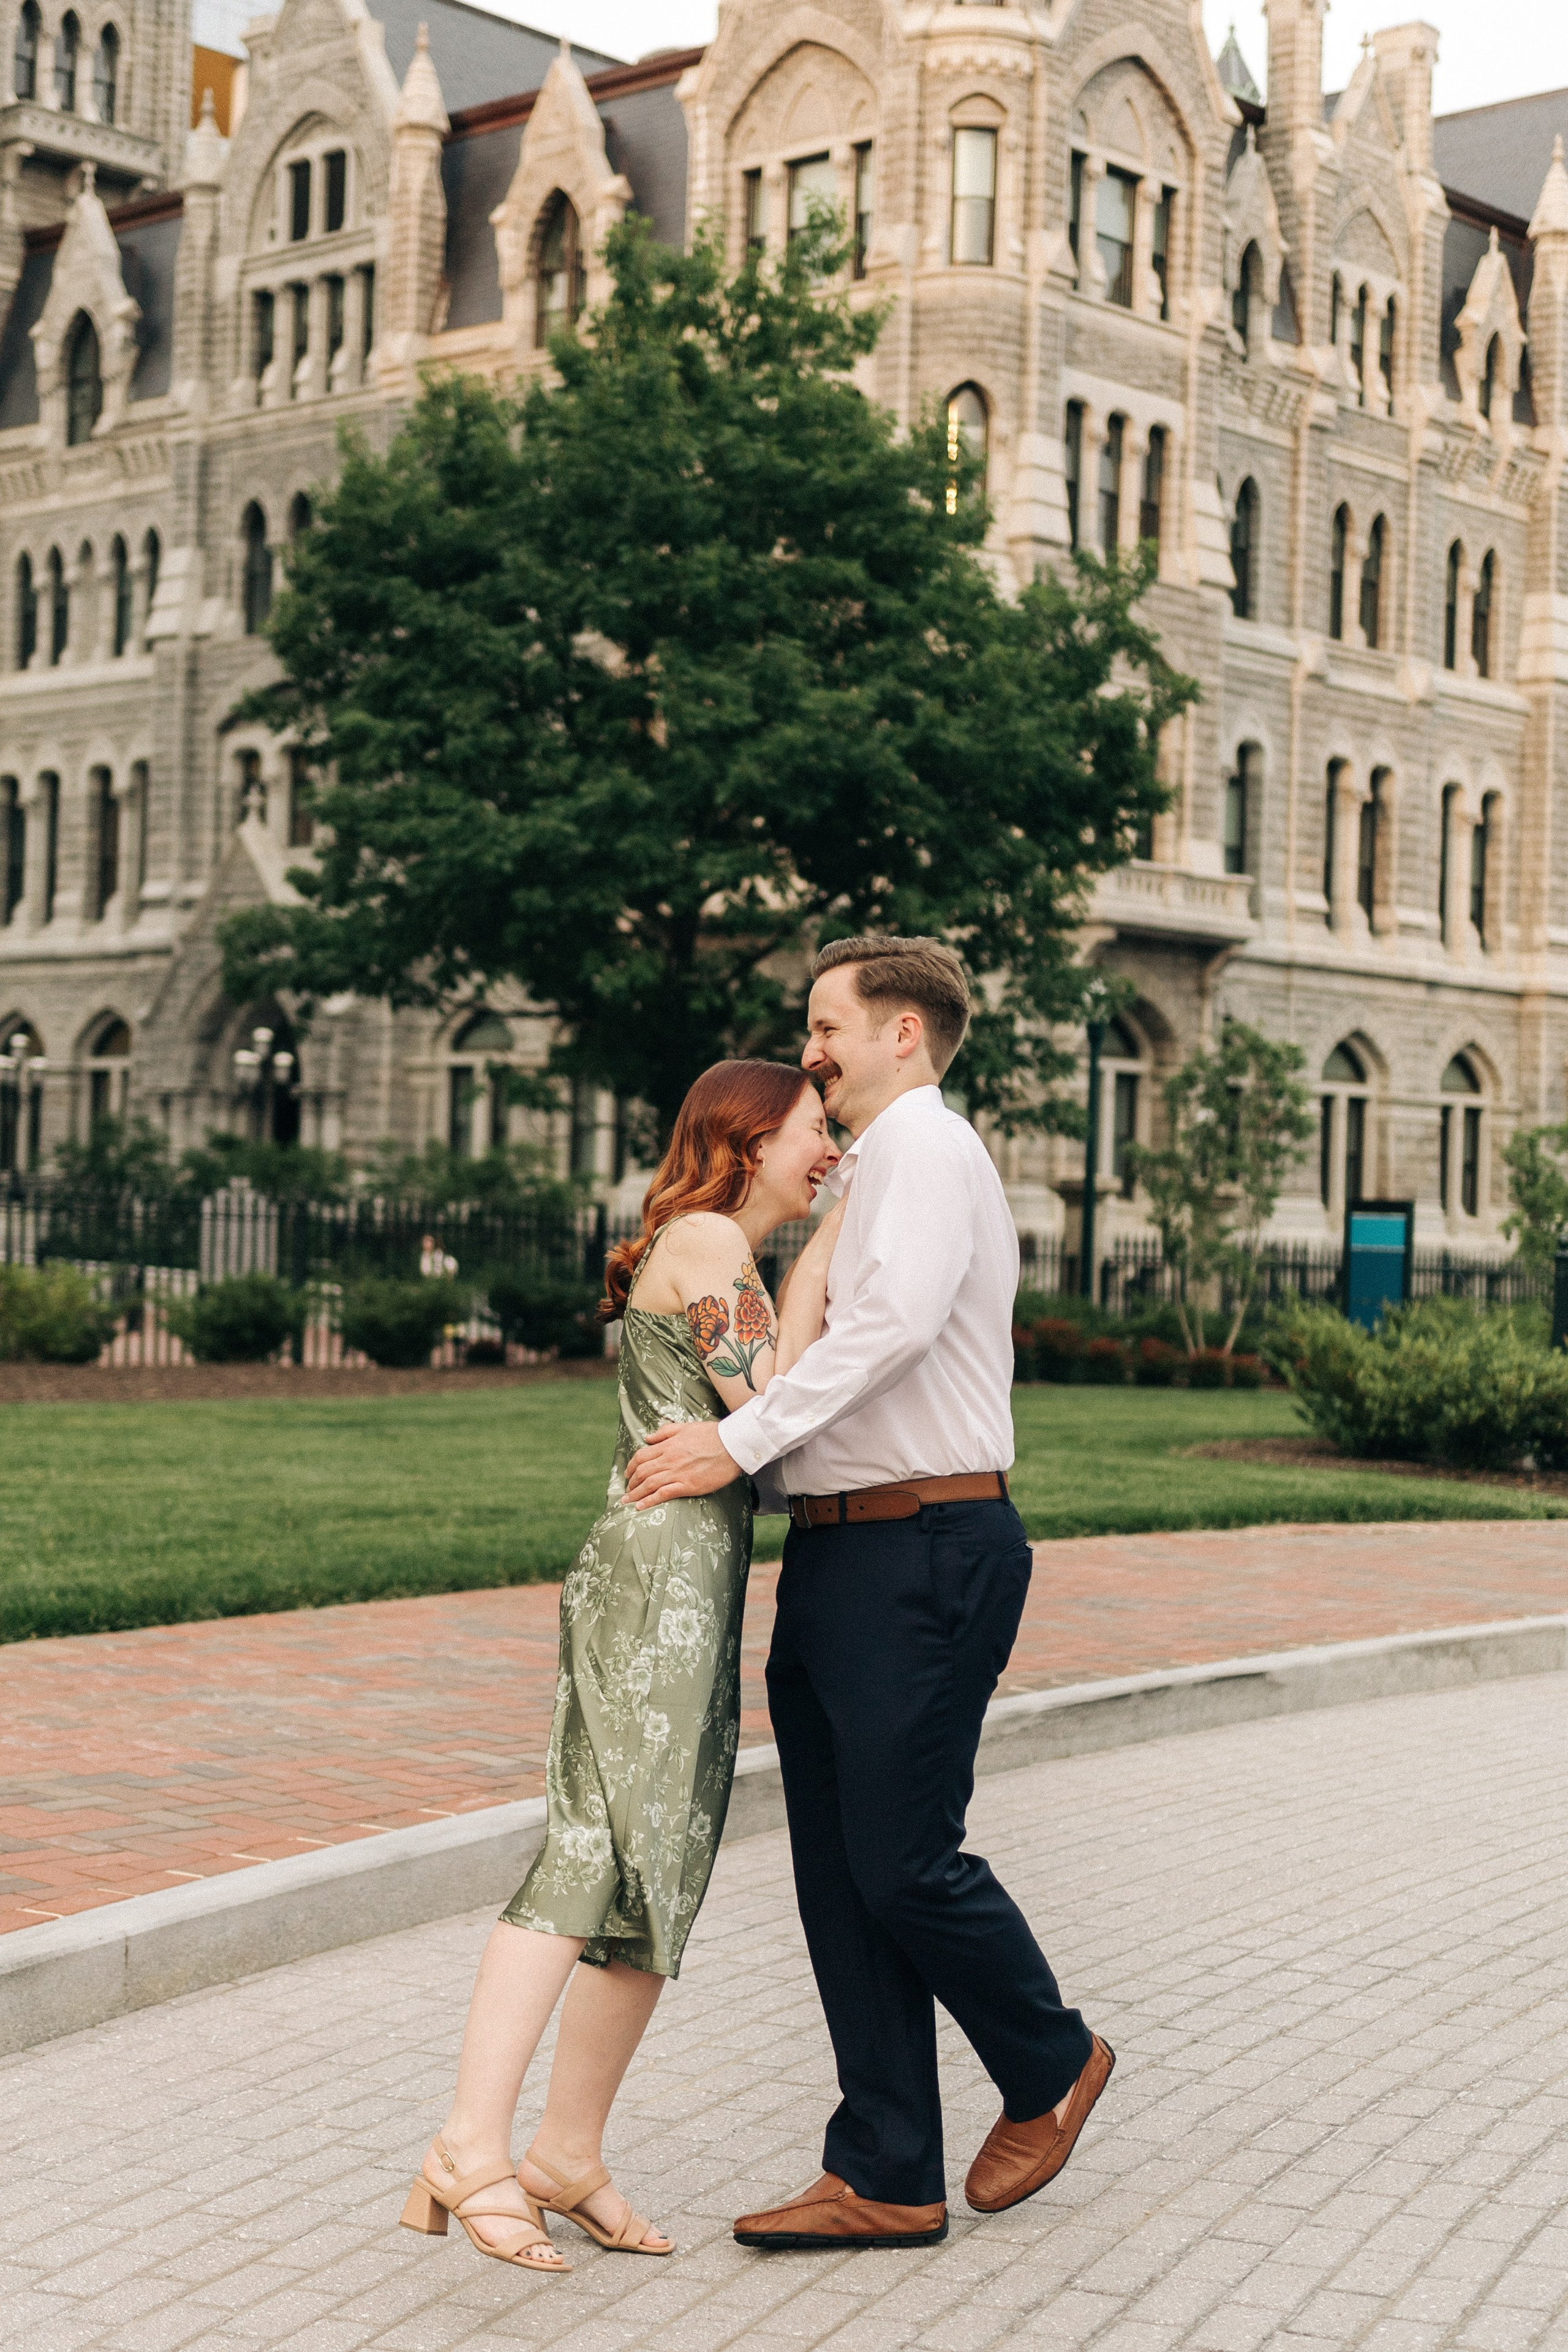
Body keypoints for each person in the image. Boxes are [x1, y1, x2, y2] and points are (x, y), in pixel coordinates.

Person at [627, 937, 1113, 2250]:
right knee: (842, 1880)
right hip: (843, 1552)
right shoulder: (877, 1171)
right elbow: (823, 1329)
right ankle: (885, 2168)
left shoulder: (926, 1147)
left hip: (925, 1546)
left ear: (903, 1033)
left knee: (901, 1861)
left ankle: (1050, 2059)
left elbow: (890, 1326)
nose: (809, 1051)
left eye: (826, 1025)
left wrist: (734, 1441)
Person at [401, 1060, 837, 2274]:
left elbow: (767, 1418)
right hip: (652, 1579)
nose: (831, 1147)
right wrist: (837, 1245)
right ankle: (467, 2144)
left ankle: (566, 2155)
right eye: (816, 1128)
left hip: (691, 1584)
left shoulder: (723, 1252)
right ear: (747, 1136)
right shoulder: (704, 1239)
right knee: (593, 1851)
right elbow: (779, 1406)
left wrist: (810, 1262)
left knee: (658, 1869)